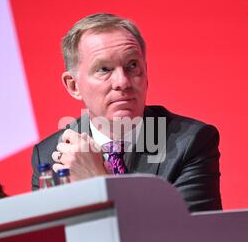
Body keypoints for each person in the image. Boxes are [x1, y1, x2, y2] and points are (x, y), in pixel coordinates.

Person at [31, 13, 221, 212]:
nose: (122, 82)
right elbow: (51, 240)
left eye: (132, 65)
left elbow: (190, 238)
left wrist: (96, 180)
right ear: (73, 85)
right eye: (104, 69)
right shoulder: (50, 155)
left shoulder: (191, 143)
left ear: (146, 73)